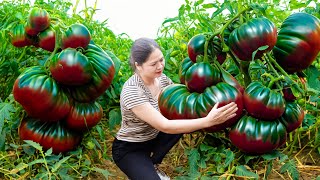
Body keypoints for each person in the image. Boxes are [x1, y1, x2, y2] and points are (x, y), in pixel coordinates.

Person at [112, 37, 238, 180]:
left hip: (153, 139)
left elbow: (183, 102)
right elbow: (165, 126)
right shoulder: (132, 91)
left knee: (181, 113)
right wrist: (208, 121)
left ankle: (152, 163)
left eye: (161, 60)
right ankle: (142, 167)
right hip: (130, 148)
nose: (160, 66)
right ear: (138, 66)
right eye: (153, 64)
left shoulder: (163, 79)